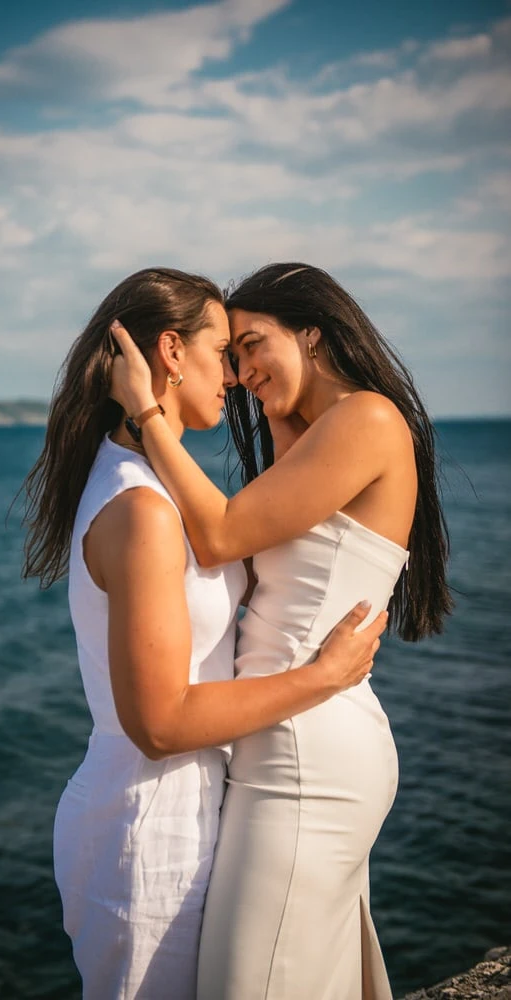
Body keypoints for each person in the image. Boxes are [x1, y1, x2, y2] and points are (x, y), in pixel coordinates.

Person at [20, 267, 389, 1000]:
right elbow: (159, 724)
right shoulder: (143, 511)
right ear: (170, 351)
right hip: (147, 822)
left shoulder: (150, 483)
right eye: (223, 351)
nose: (232, 377)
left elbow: (245, 530)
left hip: (184, 806)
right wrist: (322, 677)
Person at [109, 262, 453, 1000]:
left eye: (252, 345)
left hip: (307, 756)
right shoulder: (319, 431)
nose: (240, 373)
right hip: (291, 741)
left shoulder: (366, 419)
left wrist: (146, 412)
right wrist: (276, 397)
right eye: (231, 356)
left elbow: (220, 534)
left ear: (313, 332)